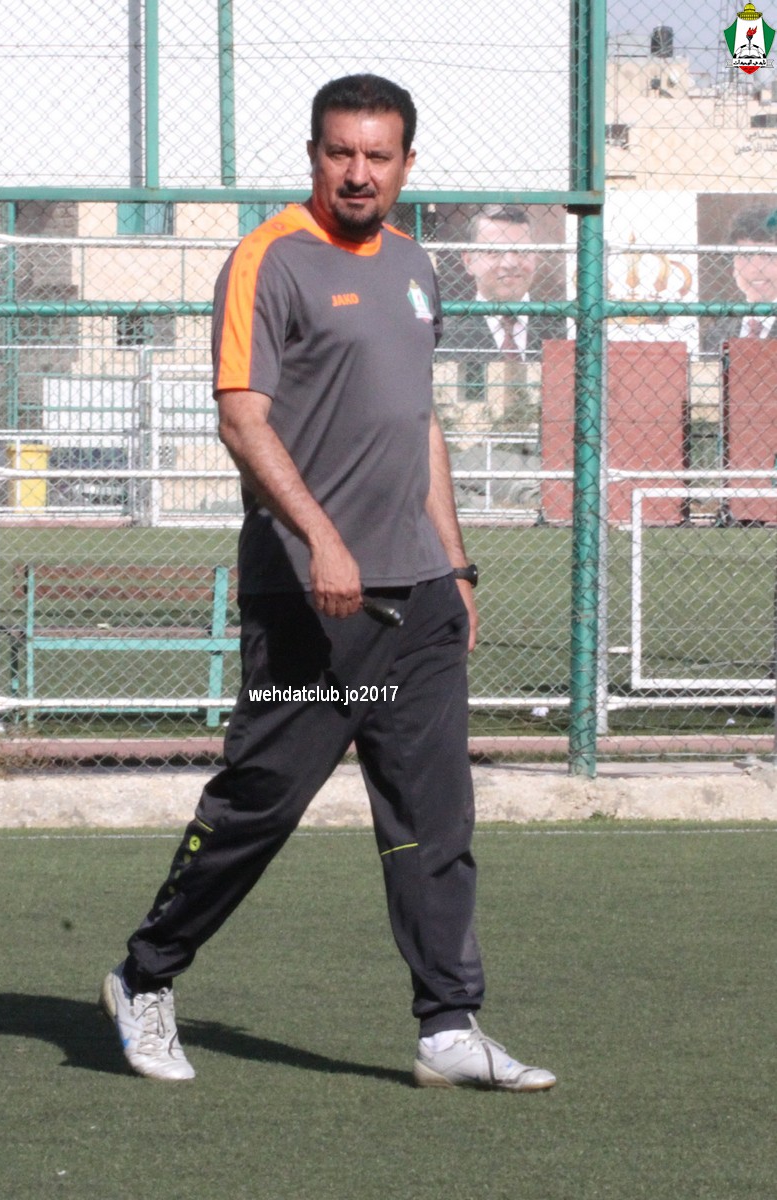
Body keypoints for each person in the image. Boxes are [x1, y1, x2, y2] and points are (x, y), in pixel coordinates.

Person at [100, 74, 555, 1092]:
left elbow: (419, 422)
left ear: (406, 164)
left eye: (377, 156)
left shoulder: (414, 263)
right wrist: (322, 541)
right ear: (314, 155)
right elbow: (240, 417)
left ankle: (448, 1026)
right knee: (261, 802)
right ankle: (144, 976)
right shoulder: (268, 259)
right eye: (340, 152)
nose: (358, 173)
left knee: (434, 818)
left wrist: (455, 563)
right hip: (313, 601)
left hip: (418, 598)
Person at [440, 203, 568, 385]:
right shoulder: (443, 336)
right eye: (494, 252)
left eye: (521, 251)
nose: (510, 263)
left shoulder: (565, 326)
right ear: (468, 261)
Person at [702, 204, 777, 353]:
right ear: (732, 265)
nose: (755, 269)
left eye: (768, 255)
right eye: (746, 255)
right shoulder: (717, 331)